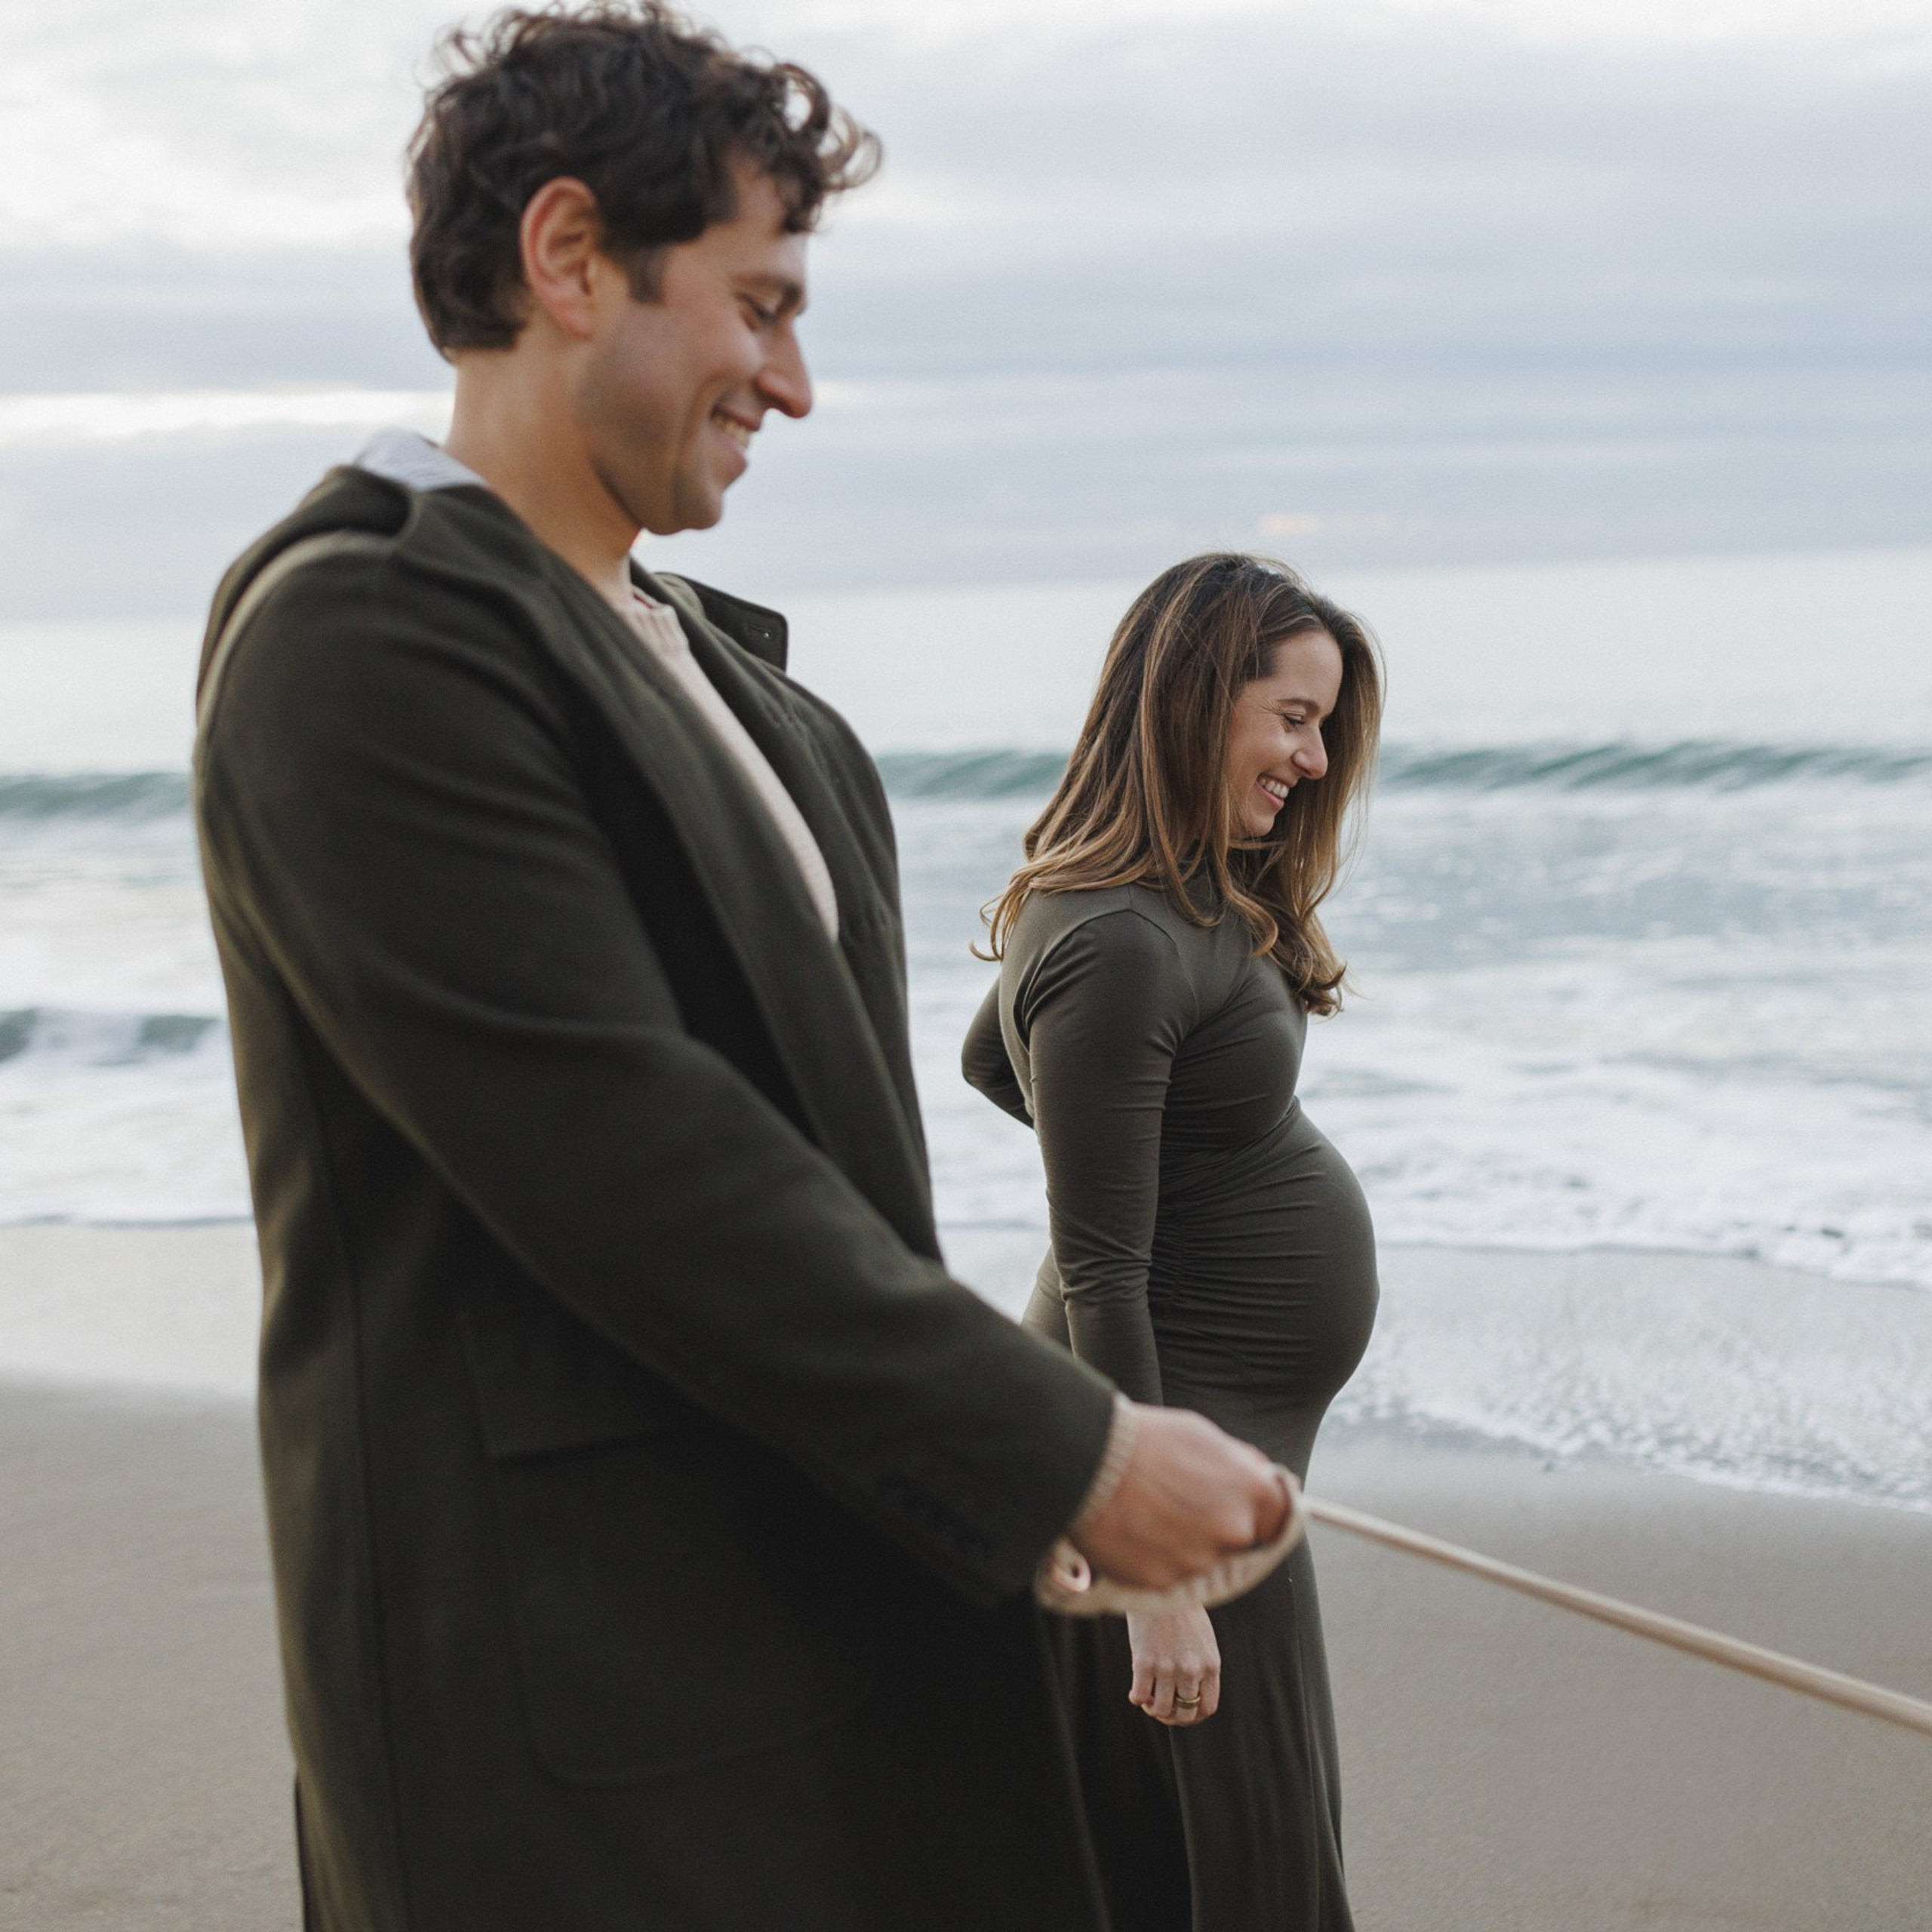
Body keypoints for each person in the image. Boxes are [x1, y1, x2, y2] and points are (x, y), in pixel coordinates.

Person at [191, 11, 1294, 1930]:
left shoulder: (744, 688)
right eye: (757, 305)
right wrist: (1068, 1450)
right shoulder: (359, 634)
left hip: (814, 1610)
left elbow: (833, 1181)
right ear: (564, 257)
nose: (792, 380)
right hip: (572, 1708)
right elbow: (626, 1152)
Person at [963, 552, 1386, 1931]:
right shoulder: (1123, 940)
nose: (1314, 761)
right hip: (1172, 1470)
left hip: (1210, 1442)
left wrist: (1165, 1150)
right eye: (1292, 717)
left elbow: (993, 1056)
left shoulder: (1165, 904)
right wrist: (1155, 1574)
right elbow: (1100, 1268)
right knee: (1248, 1880)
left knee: (1218, 1866)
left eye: (1325, 726)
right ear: (1201, 703)